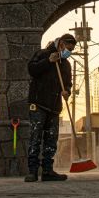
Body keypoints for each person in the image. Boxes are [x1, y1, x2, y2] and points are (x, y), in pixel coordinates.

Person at [25, 34, 75, 182]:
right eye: (68, 48)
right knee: (35, 137)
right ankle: (32, 171)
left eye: (71, 50)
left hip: (54, 106)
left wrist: (67, 91)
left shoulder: (65, 64)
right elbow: (32, 70)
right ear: (61, 45)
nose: (69, 52)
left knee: (51, 139)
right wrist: (48, 61)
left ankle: (47, 171)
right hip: (38, 103)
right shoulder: (42, 54)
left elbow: (67, 83)